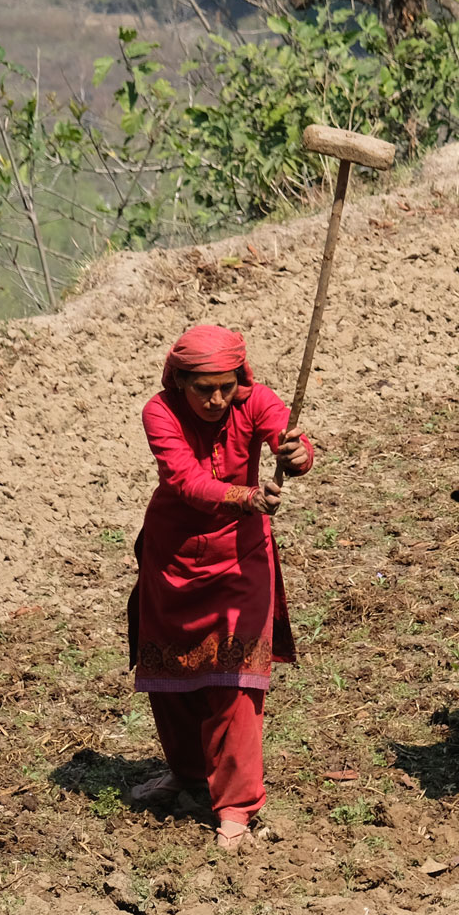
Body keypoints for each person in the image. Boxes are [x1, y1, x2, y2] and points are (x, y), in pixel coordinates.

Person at [127, 324, 313, 850]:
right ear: (179, 381)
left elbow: (287, 436)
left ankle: (235, 805)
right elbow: (182, 478)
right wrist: (245, 498)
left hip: (241, 559)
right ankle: (187, 773)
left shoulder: (257, 402)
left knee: (236, 681)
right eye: (202, 388)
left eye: (226, 387)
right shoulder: (159, 412)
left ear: (240, 380)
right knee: (172, 672)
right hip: (173, 558)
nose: (215, 399)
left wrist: (297, 454)